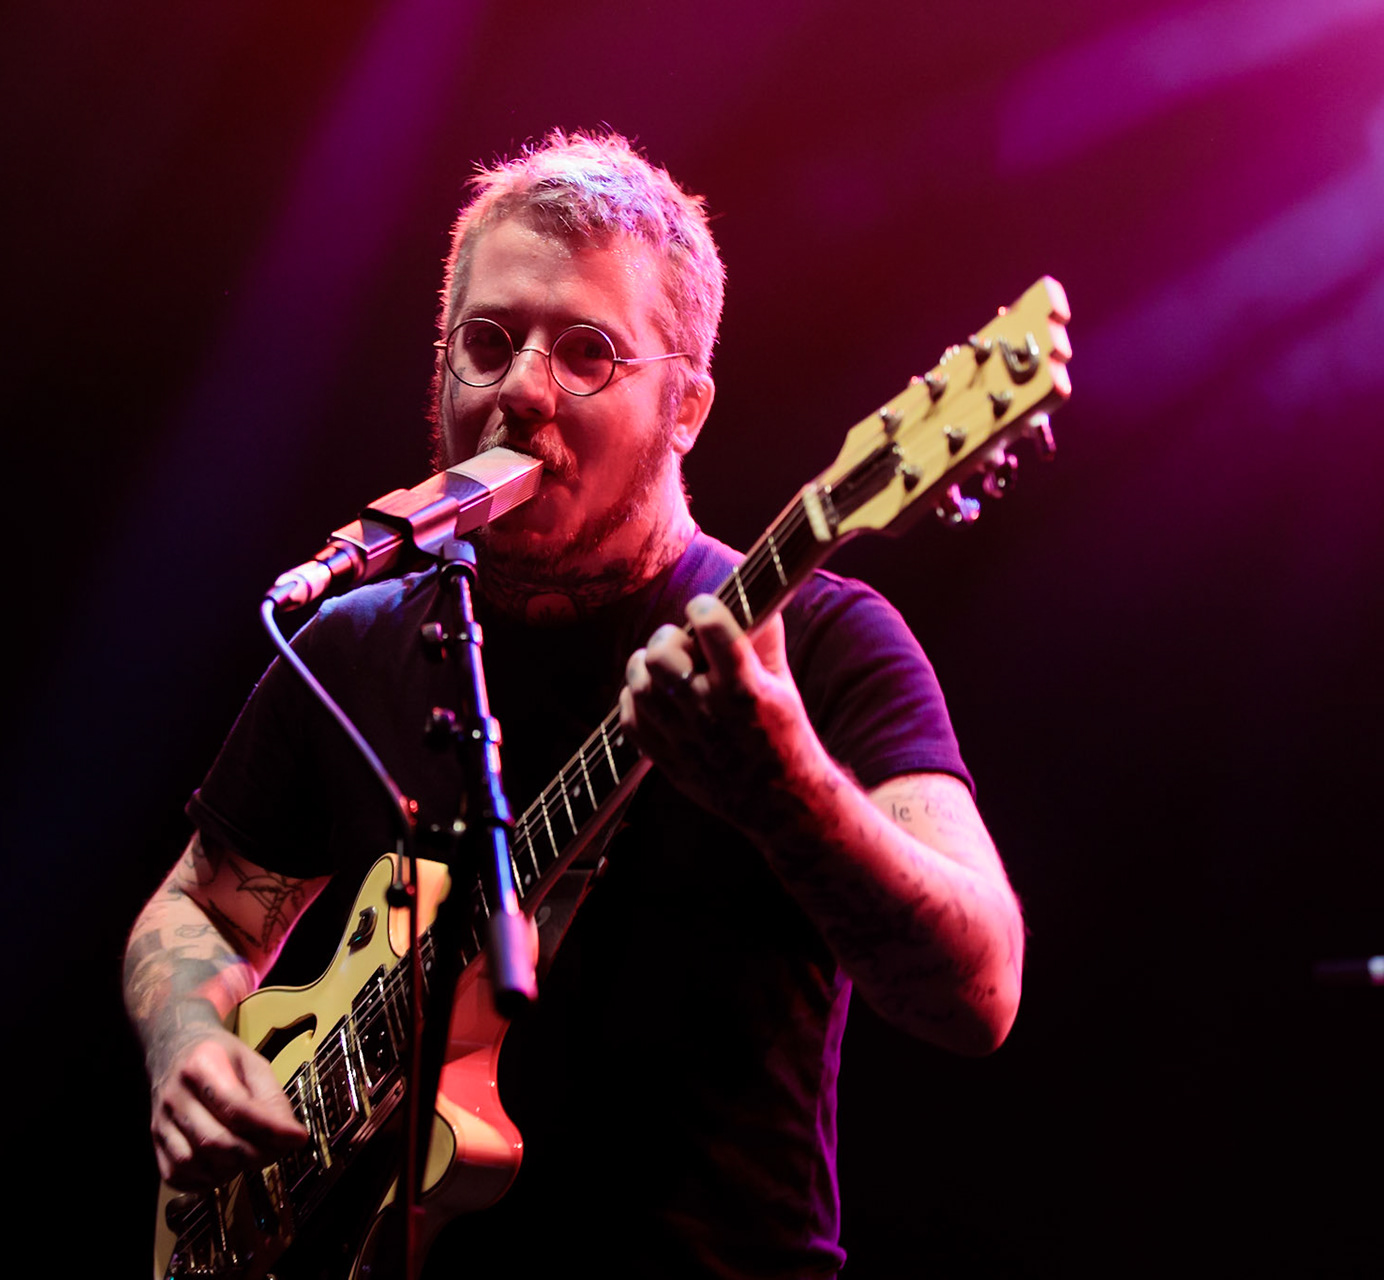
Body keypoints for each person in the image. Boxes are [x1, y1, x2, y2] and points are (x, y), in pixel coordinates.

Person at [123, 130, 1025, 1278]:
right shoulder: (354, 640)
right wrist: (189, 1039)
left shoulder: (820, 641)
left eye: (589, 352)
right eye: (488, 343)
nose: (523, 390)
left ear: (687, 406)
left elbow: (978, 989)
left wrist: (786, 782)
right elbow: (198, 905)